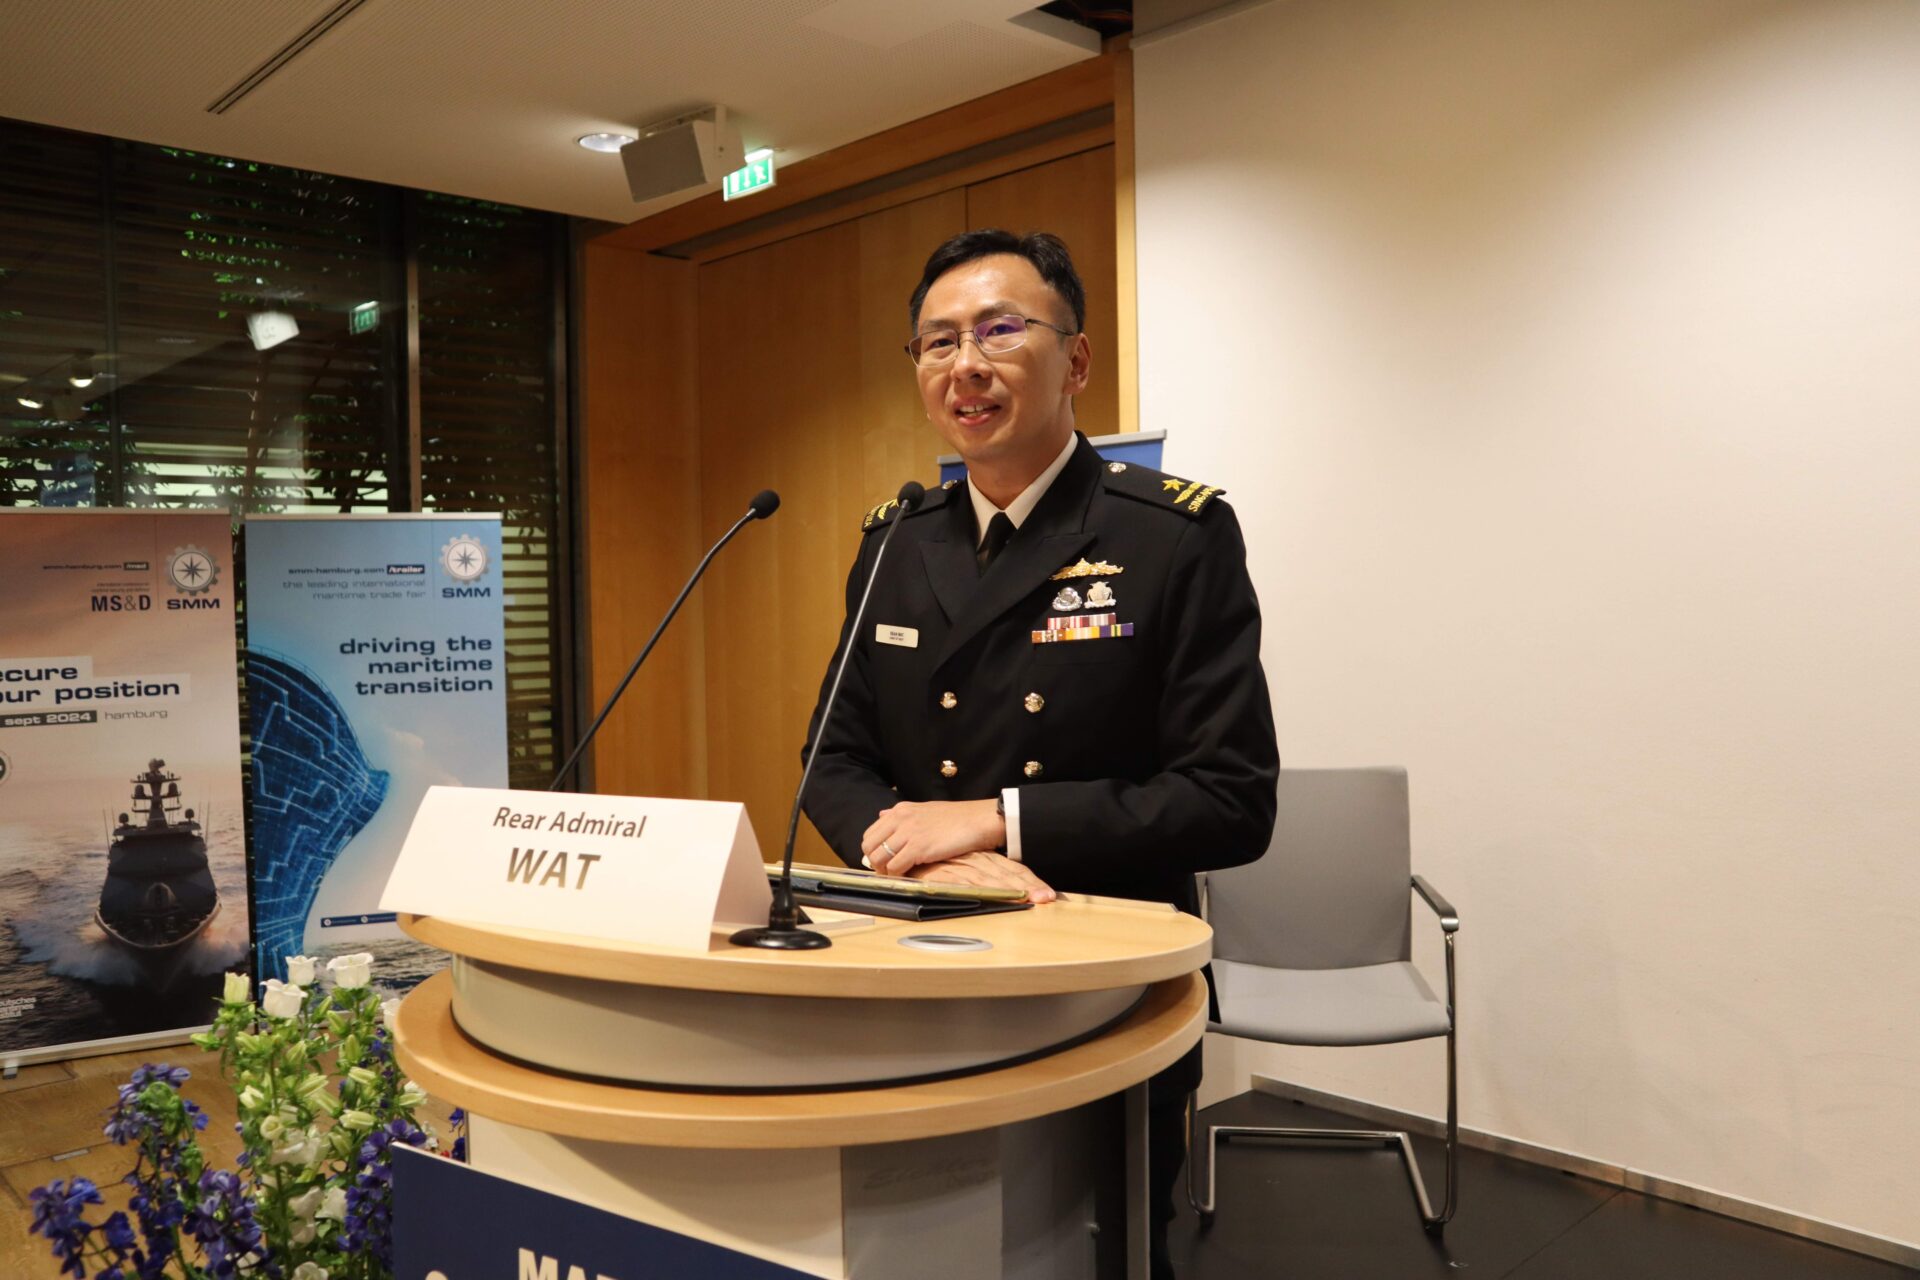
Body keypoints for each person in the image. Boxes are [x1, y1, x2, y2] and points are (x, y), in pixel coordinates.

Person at [800, 228, 1279, 1278]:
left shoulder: (1171, 536)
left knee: (1099, 1250)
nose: (964, 364)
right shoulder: (896, 541)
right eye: (937, 342)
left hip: (1098, 990)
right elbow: (830, 762)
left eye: (999, 330)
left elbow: (1231, 797)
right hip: (923, 974)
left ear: (1077, 360)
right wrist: (920, 855)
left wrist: (996, 821)